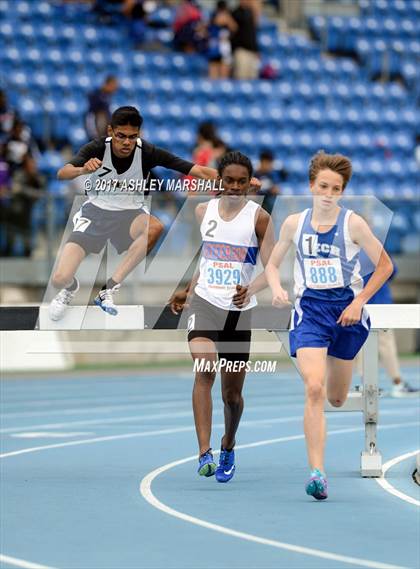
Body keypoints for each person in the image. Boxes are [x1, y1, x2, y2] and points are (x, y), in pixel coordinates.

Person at [265, 151, 393, 500]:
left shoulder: (353, 223)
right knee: (314, 389)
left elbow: (384, 266)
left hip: (346, 314)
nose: (328, 193)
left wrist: (358, 301)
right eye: (323, 186)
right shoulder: (293, 223)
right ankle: (317, 473)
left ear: (342, 191)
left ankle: (338, 429)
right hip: (311, 313)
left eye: (335, 188)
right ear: (311, 186)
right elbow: (273, 265)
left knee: (336, 398)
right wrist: (276, 289)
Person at [49, 105, 219, 320]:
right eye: (121, 136)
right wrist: (83, 169)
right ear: (111, 132)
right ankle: (69, 288)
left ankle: (109, 289)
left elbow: (199, 170)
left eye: (132, 136)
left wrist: (236, 180)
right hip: (95, 215)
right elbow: (62, 173)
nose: (127, 142)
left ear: (139, 134)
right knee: (59, 277)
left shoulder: (146, 151)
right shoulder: (97, 148)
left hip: (130, 215)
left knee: (155, 226)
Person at [170, 151, 275, 483]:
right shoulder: (204, 211)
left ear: (248, 184)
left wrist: (251, 286)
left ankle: (228, 442)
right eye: (228, 180)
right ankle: (204, 451)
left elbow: (271, 268)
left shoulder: (259, 218)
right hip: (205, 303)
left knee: (232, 396)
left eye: (241, 182)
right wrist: (188, 289)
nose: (234, 186)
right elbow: (207, 256)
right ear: (219, 182)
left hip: (239, 312)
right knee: (204, 370)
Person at [358, 259, 420, 398]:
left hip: (360, 302)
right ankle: (397, 383)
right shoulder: (375, 245)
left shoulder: (349, 245)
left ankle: (365, 384)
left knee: (362, 343)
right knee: (386, 344)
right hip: (379, 302)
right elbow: (391, 270)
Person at [231, 0, 261, 80]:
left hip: (251, 51)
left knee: (252, 78)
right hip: (241, 50)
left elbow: (252, 34)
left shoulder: (250, 14)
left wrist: (256, 50)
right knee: (241, 78)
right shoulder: (236, 13)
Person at [207, 1, 237, 79]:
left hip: (224, 46)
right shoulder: (214, 16)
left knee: (224, 71)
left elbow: (234, 28)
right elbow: (216, 23)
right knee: (214, 71)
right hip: (215, 46)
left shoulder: (228, 17)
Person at [85, 75, 119, 140]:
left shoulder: (108, 96)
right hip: (95, 125)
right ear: (108, 84)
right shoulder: (96, 95)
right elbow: (92, 114)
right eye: (114, 86)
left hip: (105, 128)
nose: (115, 89)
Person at [254, 149, 287, 214]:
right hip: (257, 202)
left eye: (270, 163)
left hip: (268, 201)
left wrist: (273, 190)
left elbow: (276, 190)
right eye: (267, 163)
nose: (269, 165)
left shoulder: (273, 175)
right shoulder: (255, 174)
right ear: (261, 162)